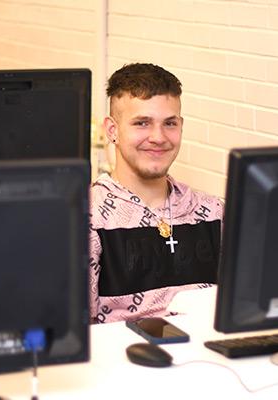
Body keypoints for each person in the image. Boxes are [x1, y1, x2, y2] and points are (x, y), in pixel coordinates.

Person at [89, 63, 223, 323]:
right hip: (121, 360)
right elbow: (73, 333)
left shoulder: (212, 212)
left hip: (208, 358)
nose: (158, 137)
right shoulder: (88, 217)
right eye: (142, 123)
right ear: (112, 130)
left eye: (169, 123)